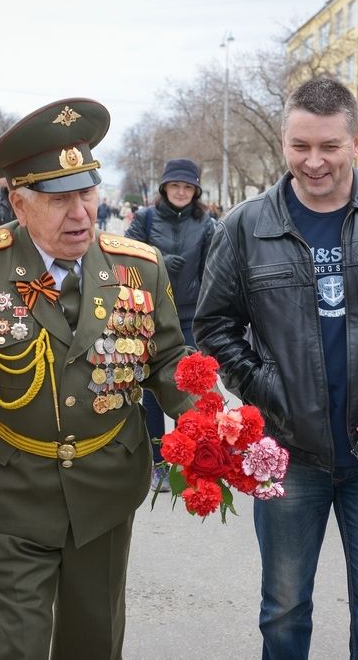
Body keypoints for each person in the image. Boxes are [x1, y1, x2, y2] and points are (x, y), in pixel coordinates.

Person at [0, 97, 194, 660]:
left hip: (104, 484)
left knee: (93, 641)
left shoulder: (138, 266)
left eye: (87, 193)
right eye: (59, 198)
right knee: (22, 645)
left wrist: (210, 418)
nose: (81, 214)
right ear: (18, 204)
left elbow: (166, 358)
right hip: (8, 488)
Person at [194, 77, 358, 658]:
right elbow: (214, 327)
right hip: (286, 455)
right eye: (301, 146)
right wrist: (268, 391)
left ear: (356, 141)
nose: (315, 161)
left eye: (330, 146)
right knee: (282, 611)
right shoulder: (246, 226)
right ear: (284, 142)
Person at [125, 158, 214, 490]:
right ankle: (158, 462)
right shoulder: (146, 219)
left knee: (190, 389)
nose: (181, 192)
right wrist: (159, 260)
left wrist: (210, 312)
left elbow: (213, 271)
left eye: (187, 187)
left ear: (195, 191)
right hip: (149, 314)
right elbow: (128, 258)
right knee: (153, 390)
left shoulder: (206, 223)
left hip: (190, 315)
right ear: (164, 188)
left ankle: (186, 462)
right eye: (175, 186)